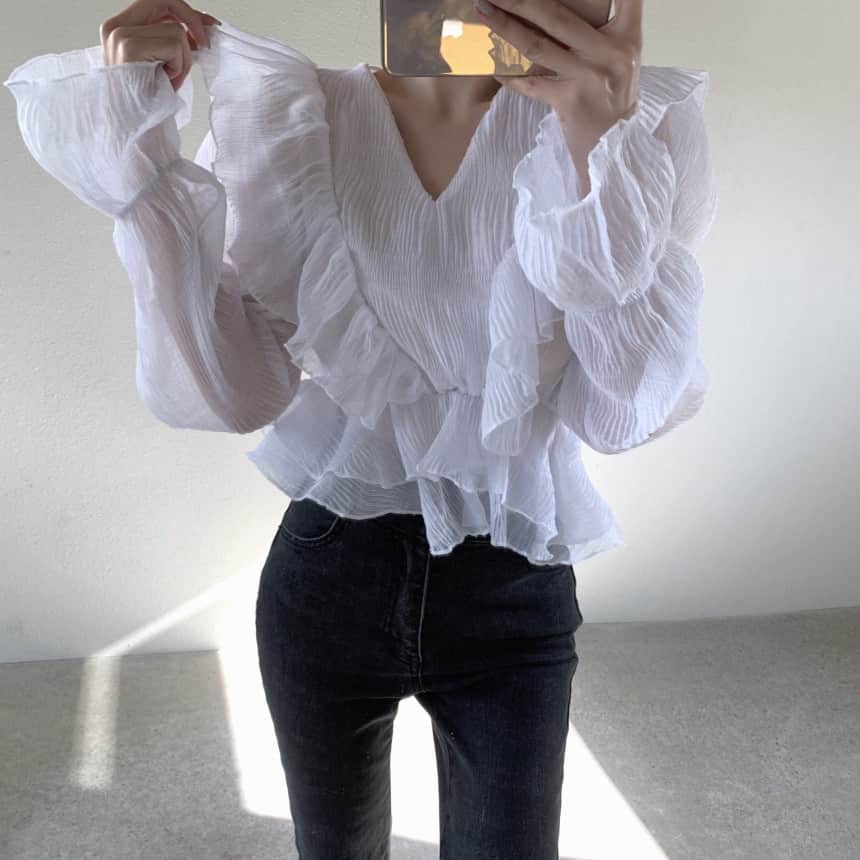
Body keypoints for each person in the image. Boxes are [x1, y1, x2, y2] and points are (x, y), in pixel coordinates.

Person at [4, 0, 717, 856]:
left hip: (516, 593)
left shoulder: (643, 126)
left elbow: (620, 411)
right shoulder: (290, 116)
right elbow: (234, 395)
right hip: (327, 584)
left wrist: (601, 143)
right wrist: (144, 171)